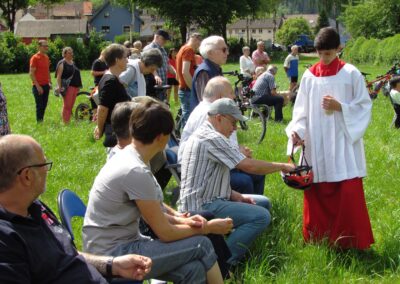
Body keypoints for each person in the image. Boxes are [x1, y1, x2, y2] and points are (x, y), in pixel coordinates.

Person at [83, 99, 231, 283]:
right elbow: (165, 233)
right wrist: (208, 227)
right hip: (112, 253)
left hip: (118, 244)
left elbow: (155, 212)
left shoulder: (129, 156)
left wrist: (183, 219)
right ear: (162, 137)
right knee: (202, 243)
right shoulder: (135, 170)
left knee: (193, 269)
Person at [0, 134, 152, 283]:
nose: (47, 170)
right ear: (27, 176)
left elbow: (66, 253)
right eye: (44, 165)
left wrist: (112, 265)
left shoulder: (34, 207)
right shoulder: (5, 240)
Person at [286, 27, 374, 250]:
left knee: (346, 190)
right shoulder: (309, 76)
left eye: (328, 53)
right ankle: (319, 238)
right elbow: (301, 110)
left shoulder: (351, 73)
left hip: (343, 140)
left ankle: (350, 241)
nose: (323, 59)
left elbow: (364, 106)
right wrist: (297, 132)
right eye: (320, 53)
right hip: (316, 141)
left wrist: (340, 107)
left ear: (339, 49)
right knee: (318, 188)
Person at [178, 98, 295, 265]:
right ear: (219, 117)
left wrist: (236, 196)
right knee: (261, 216)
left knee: (263, 203)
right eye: (233, 122)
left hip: (203, 200)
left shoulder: (206, 134)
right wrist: (283, 166)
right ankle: (221, 262)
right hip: (202, 208)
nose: (235, 128)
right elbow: (248, 166)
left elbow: (209, 180)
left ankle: (225, 246)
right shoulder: (211, 137)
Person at [178, 76, 266, 195]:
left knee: (257, 173)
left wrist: (237, 150)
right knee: (244, 181)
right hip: (204, 173)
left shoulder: (209, 109)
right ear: (220, 97)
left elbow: (219, 145)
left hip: (216, 163)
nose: (234, 96)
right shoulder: (209, 114)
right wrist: (238, 153)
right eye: (230, 93)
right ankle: (244, 211)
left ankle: (256, 207)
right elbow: (214, 147)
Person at [94, 44, 131, 148]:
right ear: (117, 60)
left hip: (119, 131)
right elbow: (102, 108)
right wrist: (100, 129)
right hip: (115, 133)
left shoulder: (112, 78)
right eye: (125, 57)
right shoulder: (110, 81)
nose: (127, 61)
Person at [191, 35, 228, 111]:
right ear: (210, 53)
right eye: (224, 50)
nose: (227, 53)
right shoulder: (204, 72)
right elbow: (206, 104)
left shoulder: (215, 68)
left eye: (227, 49)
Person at [176, 32, 202, 127]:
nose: (198, 47)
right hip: (187, 89)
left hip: (183, 88)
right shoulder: (188, 50)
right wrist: (193, 89)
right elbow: (184, 71)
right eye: (199, 43)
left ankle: (179, 134)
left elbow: (179, 72)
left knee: (185, 114)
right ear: (195, 39)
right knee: (189, 119)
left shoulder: (182, 49)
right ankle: (187, 139)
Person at [143, 30, 176, 101]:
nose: (165, 42)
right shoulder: (149, 48)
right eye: (163, 39)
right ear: (156, 37)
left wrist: (176, 73)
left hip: (163, 83)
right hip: (153, 83)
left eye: (166, 40)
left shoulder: (163, 49)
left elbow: (167, 64)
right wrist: (156, 75)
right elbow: (148, 64)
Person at [55, 47, 83, 123]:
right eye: (69, 52)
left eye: (72, 52)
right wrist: (59, 86)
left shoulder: (73, 63)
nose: (71, 54)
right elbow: (58, 77)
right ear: (64, 54)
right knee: (67, 105)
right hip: (67, 87)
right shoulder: (62, 63)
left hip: (74, 86)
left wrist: (78, 86)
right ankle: (66, 123)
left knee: (71, 105)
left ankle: (67, 120)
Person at [29, 40, 52, 122]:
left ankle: (41, 121)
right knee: (40, 105)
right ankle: (39, 123)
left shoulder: (46, 57)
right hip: (38, 86)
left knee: (44, 105)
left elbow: (47, 70)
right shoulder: (35, 58)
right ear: (39, 47)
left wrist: (50, 81)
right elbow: (31, 73)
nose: (46, 47)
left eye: (47, 46)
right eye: (44, 46)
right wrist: (38, 86)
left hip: (46, 85)